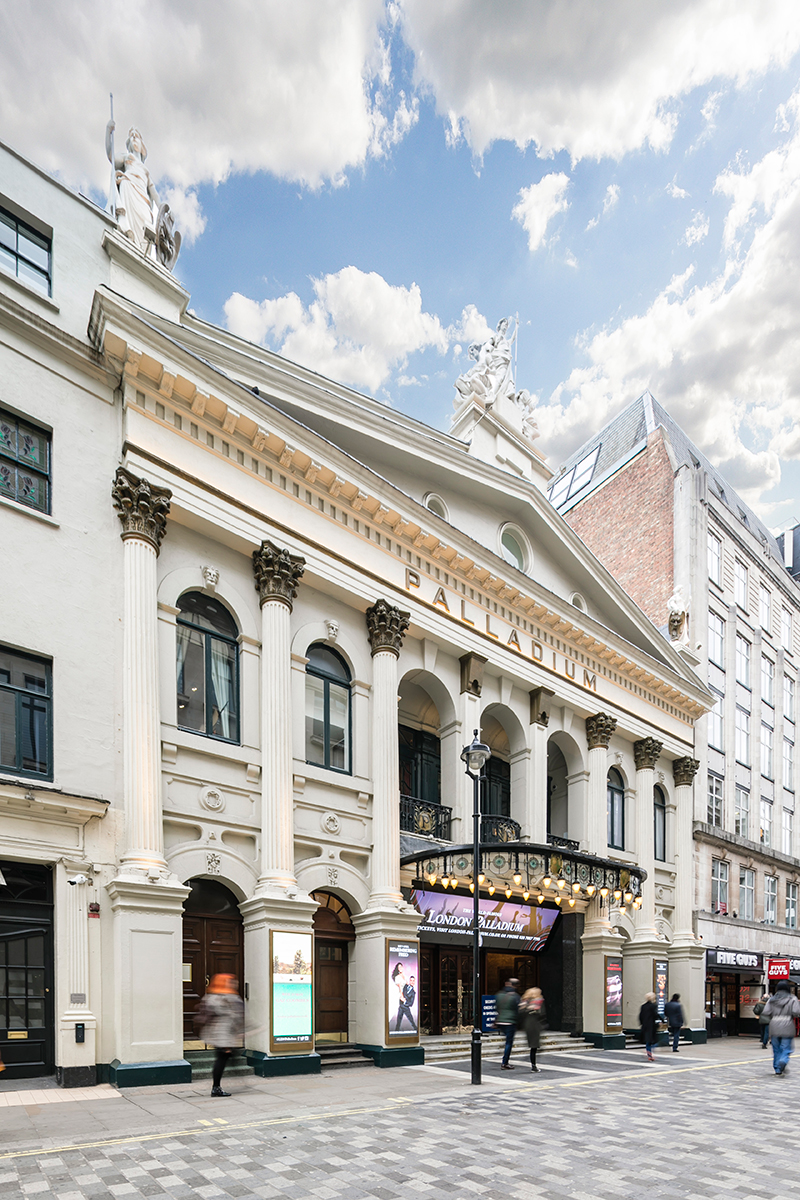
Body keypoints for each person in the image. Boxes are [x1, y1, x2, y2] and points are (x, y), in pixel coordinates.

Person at [196, 973, 244, 1097]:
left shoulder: (211, 995)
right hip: (224, 1034)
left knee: (222, 1058)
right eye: (231, 981)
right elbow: (236, 1017)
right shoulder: (229, 997)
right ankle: (216, 1087)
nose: (234, 984)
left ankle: (217, 1085)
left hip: (215, 1033)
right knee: (222, 1058)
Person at [762, 980, 800, 1076]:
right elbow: (796, 1012)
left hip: (774, 1024)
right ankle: (783, 1060)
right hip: (787, 1024)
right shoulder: (793, 998)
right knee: (786, 1047)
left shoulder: (772, 999)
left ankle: (777, 1068)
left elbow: (766, 1012)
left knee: (776, 1048)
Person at [519, 986, 546, 1072]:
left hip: (528, 1026)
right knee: (534, 1046)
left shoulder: (525, 1002)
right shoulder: (539, 1002)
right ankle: (533, 1066)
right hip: (535, 1026)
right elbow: (542, 1014)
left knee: (533, 1046)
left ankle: (533, 1063)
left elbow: (521, 1014)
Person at [495, 977, 520, 1069]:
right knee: (509, 1042)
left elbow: (497, 1007)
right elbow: (518, 1010)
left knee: (507, 1040)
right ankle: (505, 1062)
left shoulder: (499, 994)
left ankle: (504, 1058)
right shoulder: (514, 996)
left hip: (500, 1020)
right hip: (510, 1021)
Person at [639, 991, 659, 1063]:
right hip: (652, 1025)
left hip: (645, 1025)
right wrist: (661, 1020)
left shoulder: (643, 1006)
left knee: (648, 1040)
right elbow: (655, 1014)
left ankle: (649, 1052)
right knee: (654, 1040)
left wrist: (642, 1023)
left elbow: (640, 1016)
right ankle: (650, 1052)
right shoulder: (653, 1006)